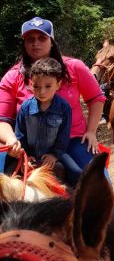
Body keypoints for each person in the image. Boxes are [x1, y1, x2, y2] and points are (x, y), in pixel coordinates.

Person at [0, 16, 105, 175]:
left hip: (72, 140)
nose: (36, 43)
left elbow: (96, 98)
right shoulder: (13, 76)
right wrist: (11, 140)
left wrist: (91, 131)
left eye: (42, 38)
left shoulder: (74, 67)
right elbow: (2, 118)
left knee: (98, 181)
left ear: (52, 40)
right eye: (30, 39)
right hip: (25, 145)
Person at [15, 57, 82, 186]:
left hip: (54, 153)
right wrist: (26, 155)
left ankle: (73, 203)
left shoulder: (64, 108)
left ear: (58, 84)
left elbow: (63, 136)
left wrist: (54, 155)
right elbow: (20, 134)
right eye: (36, 86)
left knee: (76, 173)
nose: (42, 92)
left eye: (48, 86)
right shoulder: (25, 108)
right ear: (30, 84)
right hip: (31, 154)